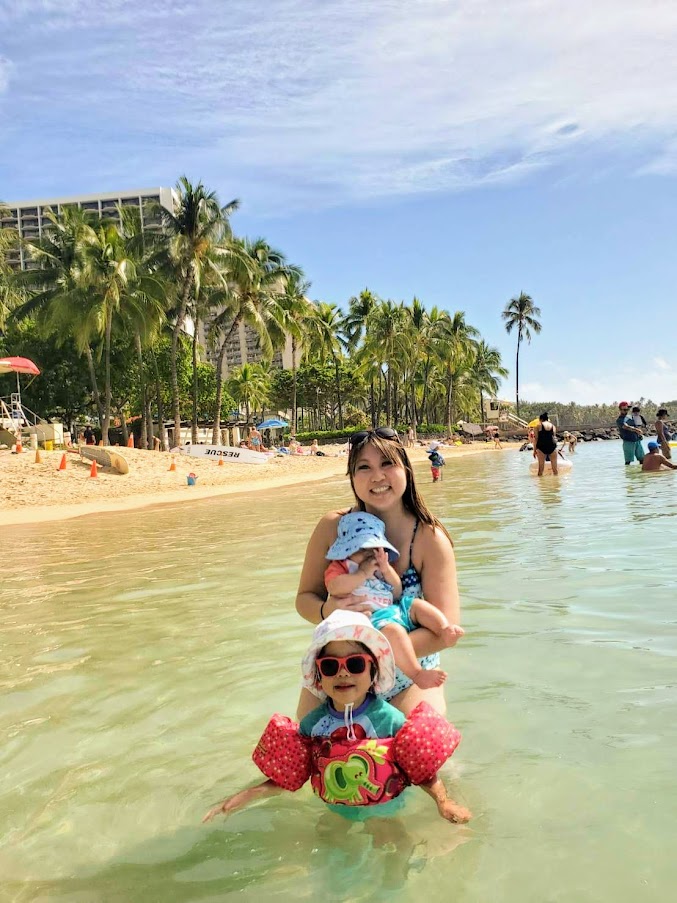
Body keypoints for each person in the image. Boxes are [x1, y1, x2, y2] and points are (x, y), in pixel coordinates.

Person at [203, 611, 471, 825]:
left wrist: (443, 802)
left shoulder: (389, 719)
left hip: (387, 811)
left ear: (373, 671)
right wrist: (243, 797)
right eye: (330, 666)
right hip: (336, 814)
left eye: (355, 664)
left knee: (393, 864)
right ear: (318, 678)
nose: (343, 673)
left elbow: (420, 769)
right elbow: (292, 774)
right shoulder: (313, 724)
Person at [295, 426, 460, 719]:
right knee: (310, 754)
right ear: (352, 476)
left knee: (421, 756)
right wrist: (326, 610)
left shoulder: (428, 538)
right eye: (364, 467)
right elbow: (305, 599)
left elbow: (445, 630)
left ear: (406, 470)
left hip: (409, 672)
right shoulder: (332, 527)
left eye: (387, 464)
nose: (377, 476)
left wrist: (377, 652)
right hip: (338, 670)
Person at [324, 512, 463, 690]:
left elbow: (396, 591)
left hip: (394, 609)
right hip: (373, 619)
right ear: (346, 551)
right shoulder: (341, 567)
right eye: (361, 549)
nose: (368, 554)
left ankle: (443, 629)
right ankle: (417, 673)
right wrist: (362, 574)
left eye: (373, 549)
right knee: (394, 632)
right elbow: (335, 588)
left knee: (415, 604)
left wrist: (387, 569)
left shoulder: (381, 567)